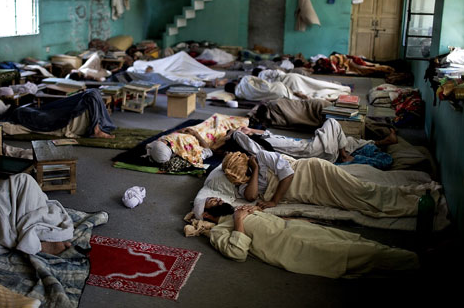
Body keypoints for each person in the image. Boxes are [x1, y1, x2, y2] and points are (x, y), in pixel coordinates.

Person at [195, 197, 419, 279]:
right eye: (211, 203)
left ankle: (410, 259)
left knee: (360, 243)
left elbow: (272, 220)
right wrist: (239, 219)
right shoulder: (218, 230)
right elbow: (237, 253)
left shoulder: (239, 211)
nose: (216, 199)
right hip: (295, 246)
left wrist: (249, 212)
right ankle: (419, 260)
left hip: (298, 230)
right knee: (358, 253)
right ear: (206, 215)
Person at [220, 150, 440, 218]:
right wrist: (255, 173)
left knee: (362, 191)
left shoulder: (262, 156)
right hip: (306, 191)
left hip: (313, 172)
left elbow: (287, 174)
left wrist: (275, 200)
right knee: (351, 203)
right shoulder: (242, 183)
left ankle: (416, 197)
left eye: (247, 173)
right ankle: (413, 200)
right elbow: (249, 196)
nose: (245, 180)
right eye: (243, 179)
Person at [232, 118, 398, 169]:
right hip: (312, 150)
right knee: (332, 123)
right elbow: (239, 137)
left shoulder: (264, 139)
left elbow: (267, 133)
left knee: (349, 141)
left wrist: (251, 130)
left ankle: (383, 142)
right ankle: (344, 155)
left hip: (310, 145)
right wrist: (234, 133)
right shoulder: (257, 147)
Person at [146, 113, 249, 168]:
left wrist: (182, 131)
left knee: (216, 118)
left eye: (164, 141)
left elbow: (174, 134)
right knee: (221, 128)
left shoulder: (164, 140)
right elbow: (208, 150)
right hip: (203, 137)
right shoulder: (186, 153)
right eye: (165, 143)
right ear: (170, 149)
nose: (165, 141)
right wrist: (196, 134)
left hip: (194, 131)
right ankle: (242, 125)